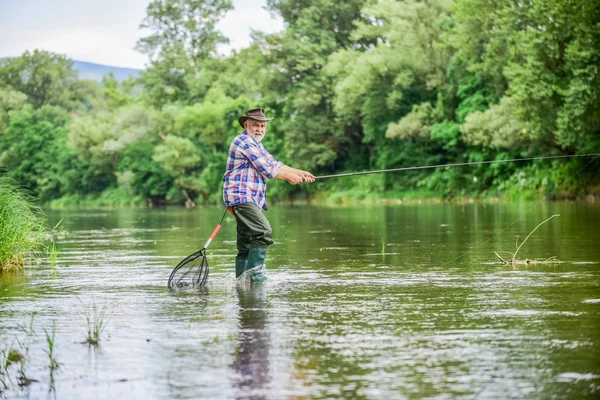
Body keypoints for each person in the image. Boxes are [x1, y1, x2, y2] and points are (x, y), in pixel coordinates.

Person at [223, 108, 315, 282]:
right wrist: (291, 178)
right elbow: (268, 169)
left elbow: (274, 163)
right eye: (255, 125)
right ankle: (255, 279)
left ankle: (242, 284)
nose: (259, 129)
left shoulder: (257, 144)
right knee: (263, 232)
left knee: (247, 244)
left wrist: (301, 173)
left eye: (262, 125)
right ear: (246, 125)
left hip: (247, 199)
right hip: (241, 197)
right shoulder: (244, 141)